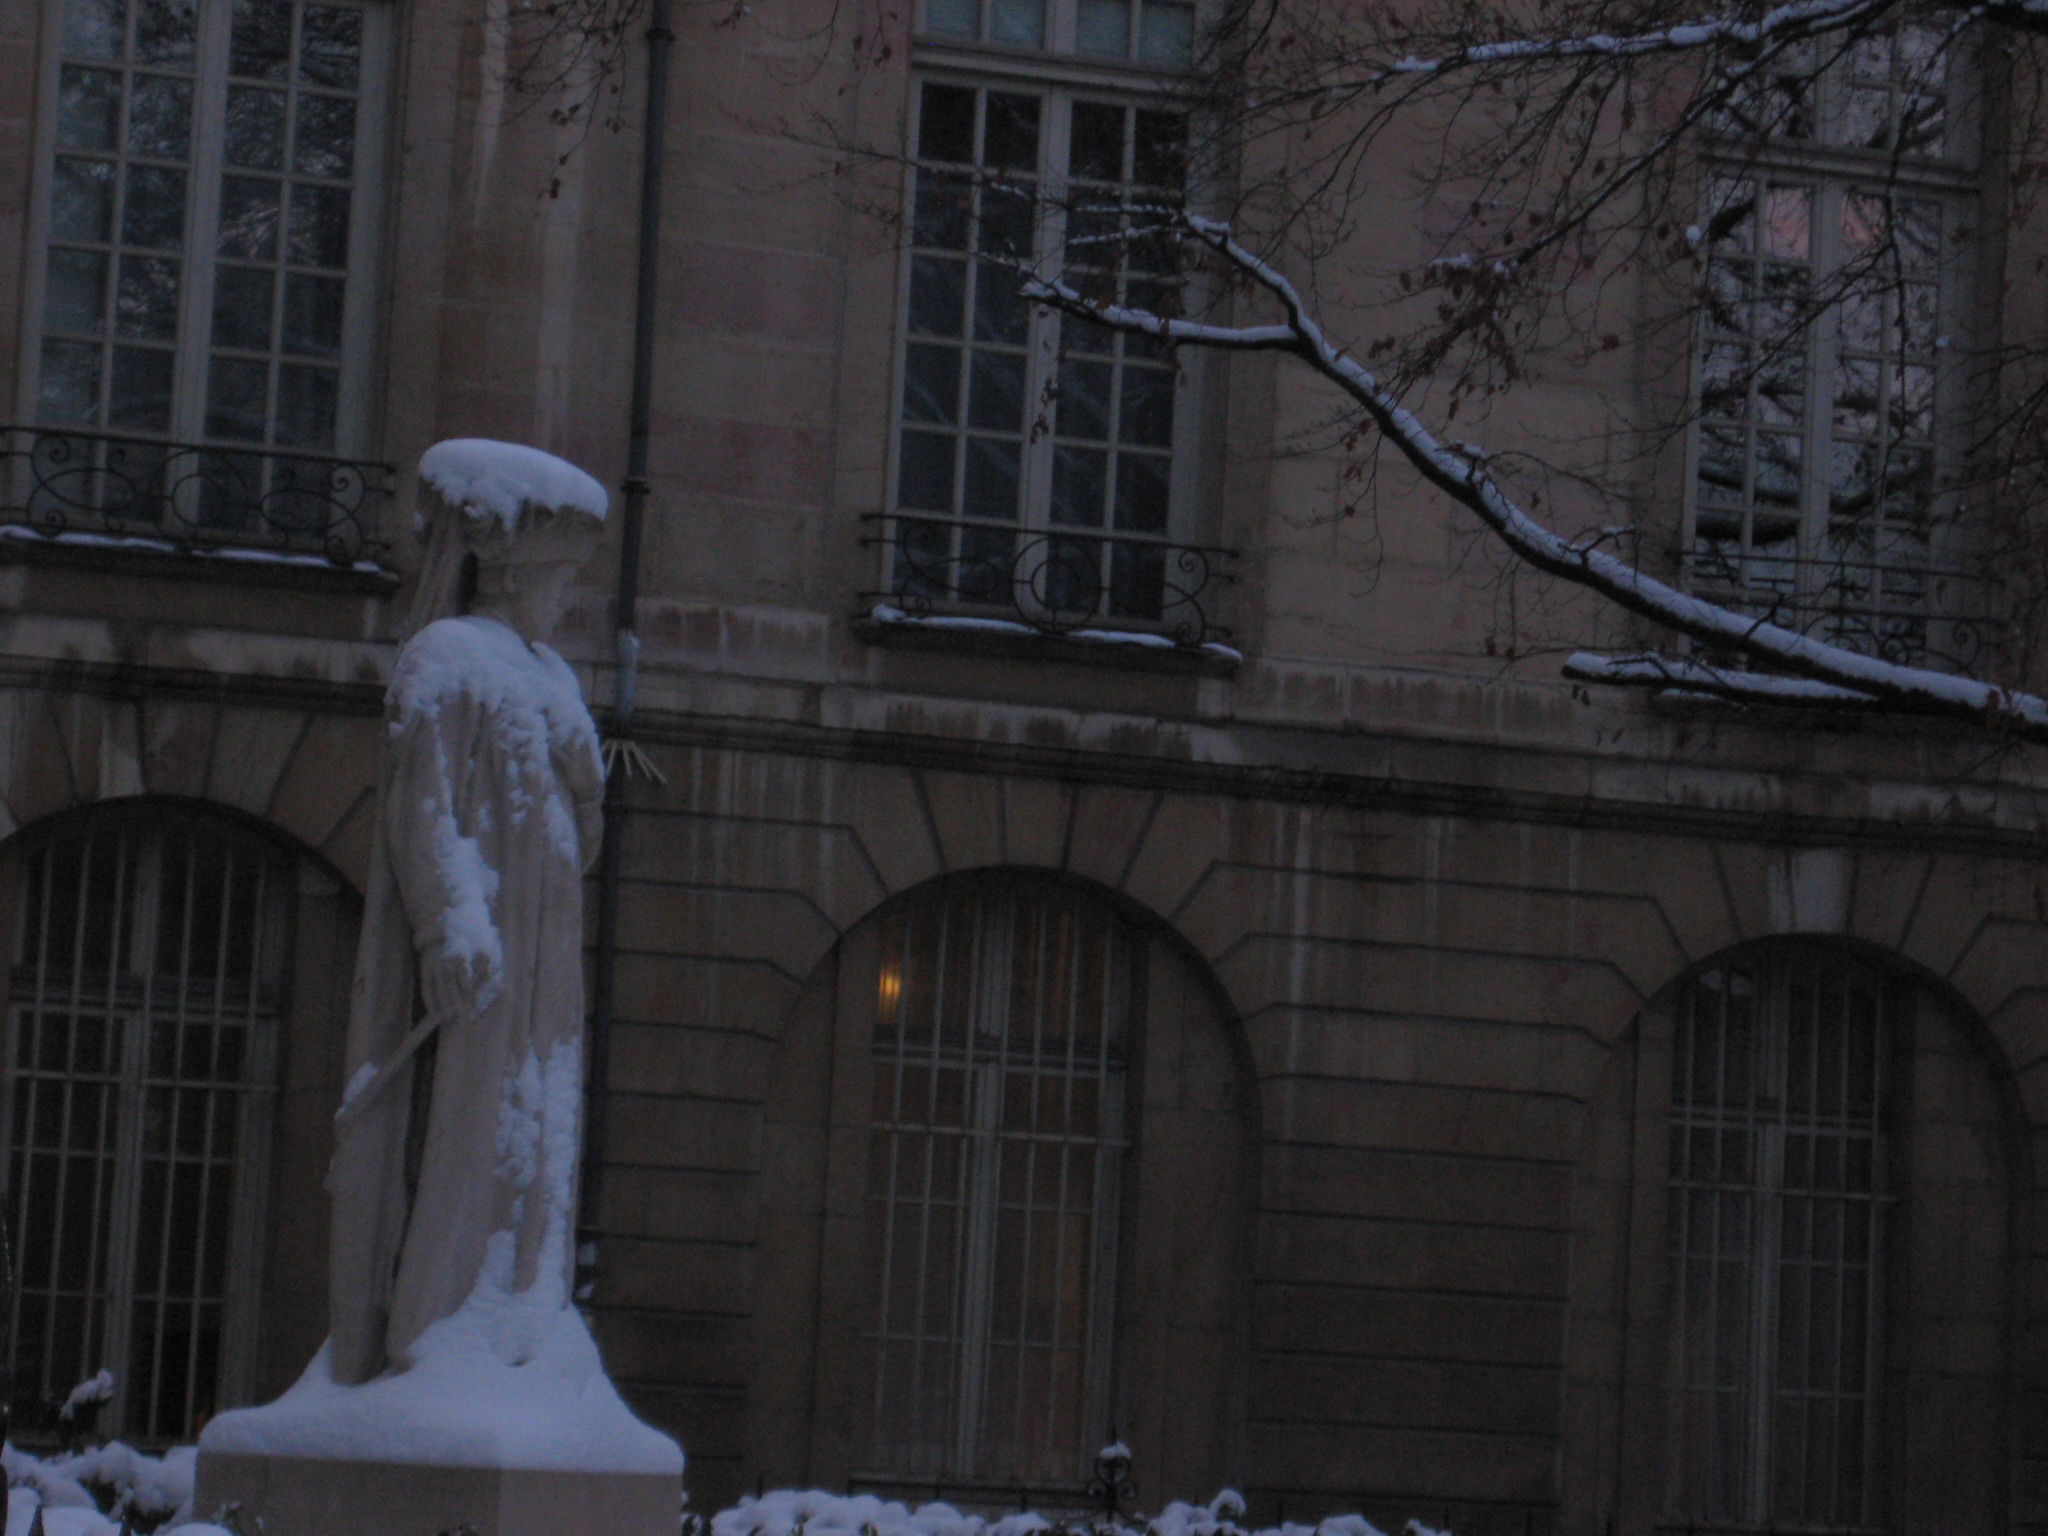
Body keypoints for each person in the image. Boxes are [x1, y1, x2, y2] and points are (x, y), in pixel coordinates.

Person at [326, 458, 606, 1385]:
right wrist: (447, 925)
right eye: (562, 581)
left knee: (542, 1120)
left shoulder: (554, 680)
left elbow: (584, 832)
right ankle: (436, 1321)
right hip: (486, 947)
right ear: (518, 575)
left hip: (547, 957)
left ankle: (518, 1307)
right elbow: (422, 802)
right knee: (474, 1125)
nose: (568, 603)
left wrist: (581, 770)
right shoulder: (445, 660)